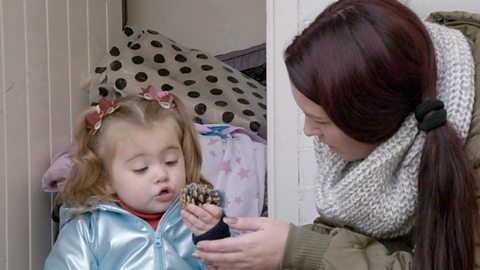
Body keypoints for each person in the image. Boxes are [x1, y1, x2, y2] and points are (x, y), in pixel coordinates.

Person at [186, 1, 480, 269]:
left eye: (319, 121)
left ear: (373, 118)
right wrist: (264, 247)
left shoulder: (470, 152)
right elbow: (357, 233)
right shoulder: (401, 86)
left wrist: (299, 249)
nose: (308, 131)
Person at [44, 85, 231, 269]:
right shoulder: (89, 228)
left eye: (171, 161)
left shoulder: (201, 214)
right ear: (106, 180)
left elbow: (244, 262)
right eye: (141, 168)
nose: (161, 175)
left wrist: (216, 236)